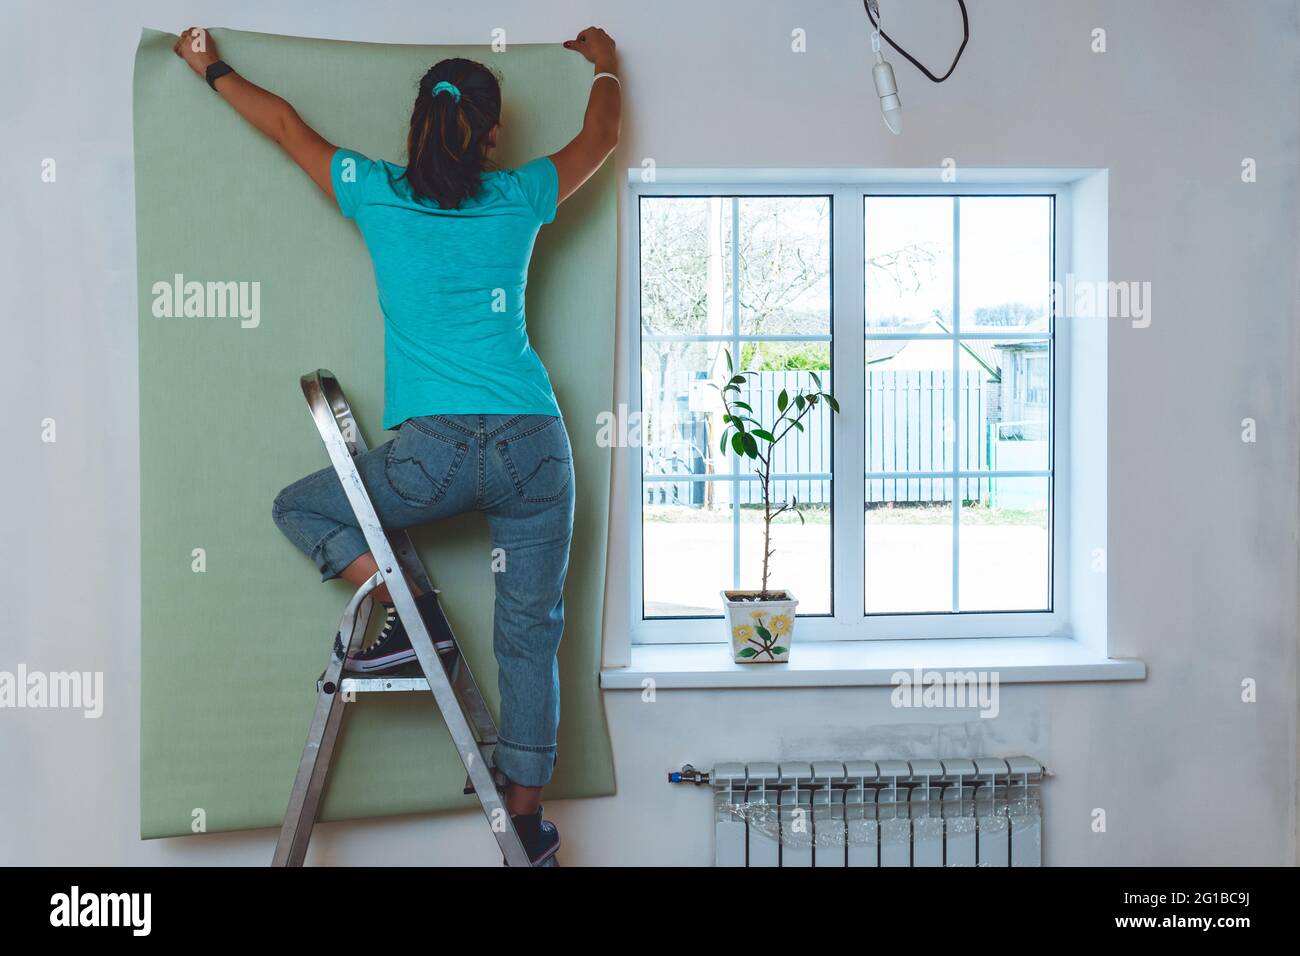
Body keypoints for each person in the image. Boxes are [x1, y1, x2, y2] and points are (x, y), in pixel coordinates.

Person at [173, 24, 620, 866]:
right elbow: (602, 135)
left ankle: (395, 603)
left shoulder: (371, 189)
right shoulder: (521, 194)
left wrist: (210, 66)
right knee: (531, 634)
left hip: (435, 455)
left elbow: (282, 125)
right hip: (535, 445)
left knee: (298, 506)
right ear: (490, 135)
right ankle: (525, 824)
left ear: (418, 126)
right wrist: (604, 62)